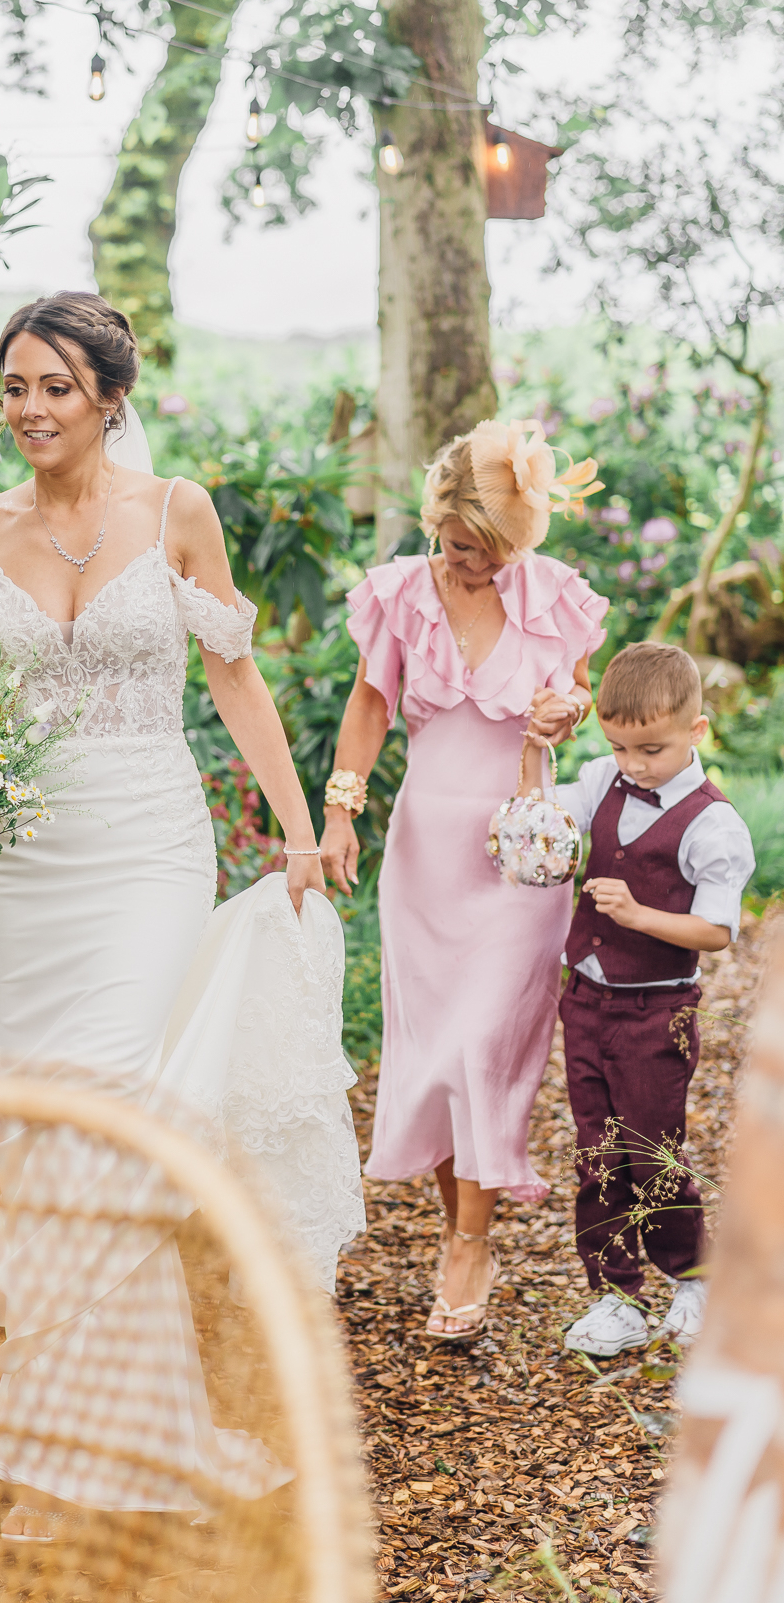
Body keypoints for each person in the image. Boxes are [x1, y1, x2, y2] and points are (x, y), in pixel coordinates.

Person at [0, 290, 364, 1536]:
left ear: (110, 397)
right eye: (14, 387)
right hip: (27, 860)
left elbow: (235, 675)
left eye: (55, 387)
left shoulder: (177, 512)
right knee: (45, 1122)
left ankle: (90, 1448)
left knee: (114, 1105)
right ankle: (86, 1438)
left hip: (148, 846)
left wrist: (297, 826)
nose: (31, 409)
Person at [319, 419, 608, 1340]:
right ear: (434, 520)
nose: (473, 565)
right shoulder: (400, 593)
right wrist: (339, 812)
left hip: (521, 855)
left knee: (483, 1040)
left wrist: (565, 710)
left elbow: (580, 689)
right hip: (425, 857)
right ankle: (459, 1225)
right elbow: (369, 704)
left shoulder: (553, 594)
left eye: (491, 551)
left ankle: (470, 1245)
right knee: (440, 1051)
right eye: (457, 546)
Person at [519, 642, 754, 1356]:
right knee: (597, 1153)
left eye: (650, 750)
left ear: (697, 730)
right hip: (586, 1001)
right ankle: (615, 1296)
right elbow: (541, 823)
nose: (634, 765)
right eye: (620, 747)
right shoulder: (601, 779)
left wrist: (638, 915)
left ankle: (692, 1278)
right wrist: (534, 748)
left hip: (658, 1012)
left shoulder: (714, 825)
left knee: (652, 1154)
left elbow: (715, 932)